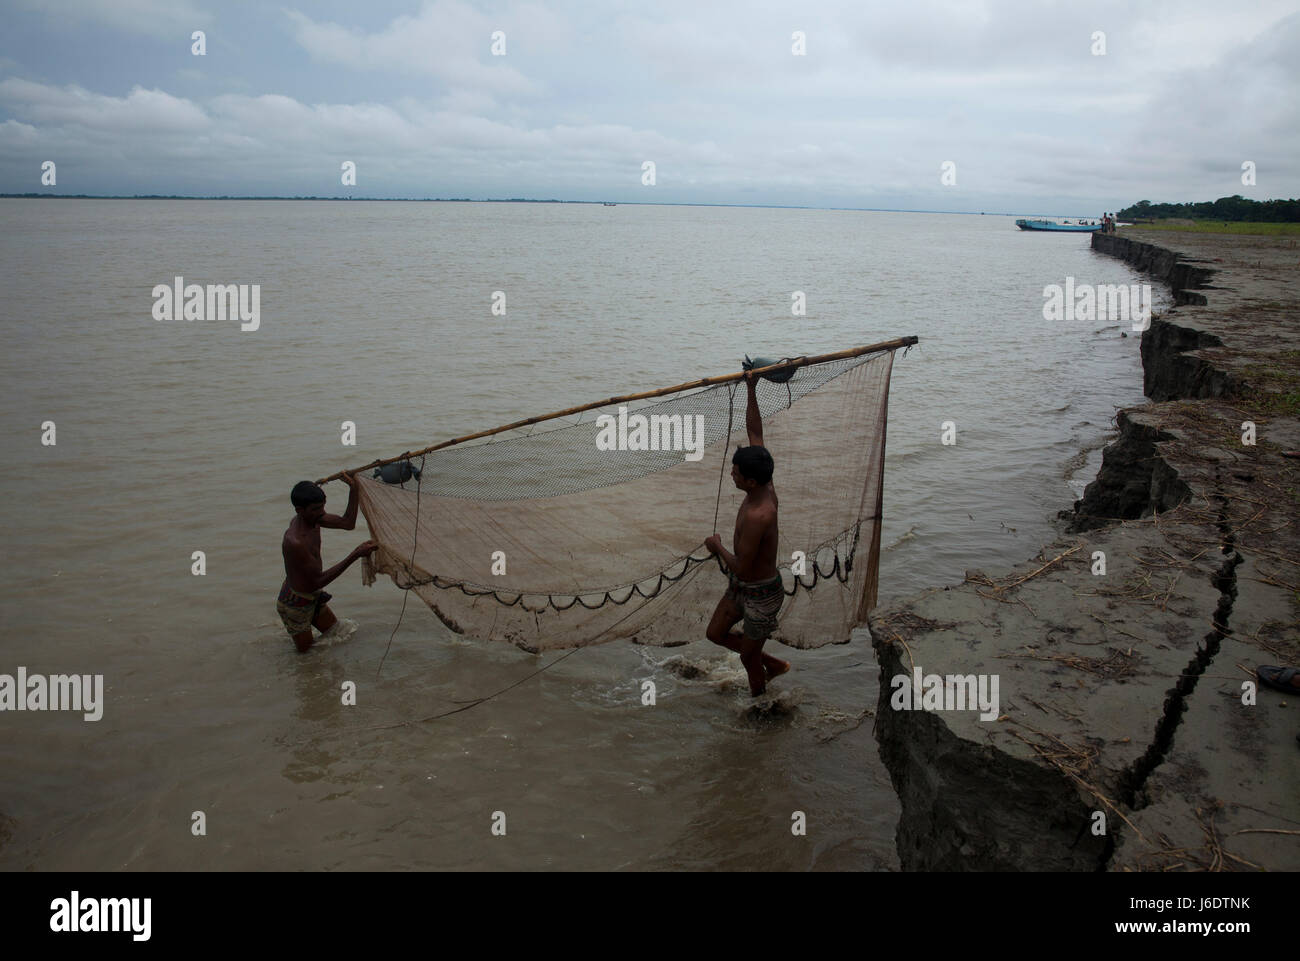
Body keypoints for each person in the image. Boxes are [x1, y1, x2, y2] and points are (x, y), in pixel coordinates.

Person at [704, 371, 791, 696]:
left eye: (736, 473)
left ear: (751, 482)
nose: (732, 474)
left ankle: (759, 706)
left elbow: (740, 565)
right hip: (740, 587)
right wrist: (751, 388)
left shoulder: (760, 514)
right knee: (714, 633)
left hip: (762, 595)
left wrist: (717, 547)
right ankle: (775, 664)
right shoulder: (763, 477)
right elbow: (755, 429)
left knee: (746, 658)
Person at [278, 475, 377, 652]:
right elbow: (318, 580)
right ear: (299, 510)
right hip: (296, 604)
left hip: (312, 596)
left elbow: (348, 523)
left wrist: (353, 489)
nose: (322, 512)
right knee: (306, 656)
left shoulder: (315, 519)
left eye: (323, 506)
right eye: (316, 508)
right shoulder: (295, 542)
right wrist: (355, 554)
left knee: (338, 634)